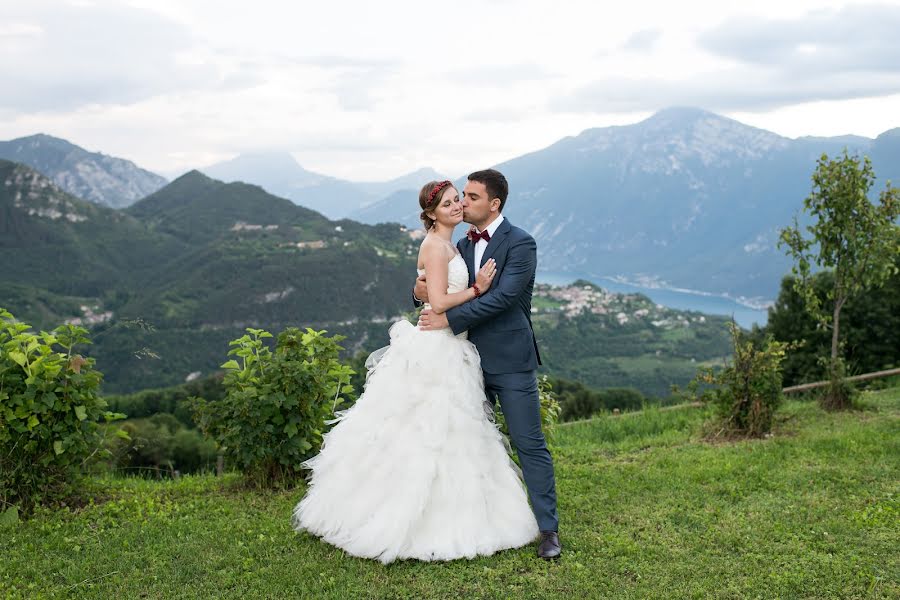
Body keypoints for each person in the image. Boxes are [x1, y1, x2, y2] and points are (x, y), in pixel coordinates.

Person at [291, 179, 539, 564]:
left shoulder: (466, 243)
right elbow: (439, 298)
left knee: (459, 430)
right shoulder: (440, 245)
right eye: (449, 203)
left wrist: (425, 292)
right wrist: (475, 289)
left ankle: (477, 514)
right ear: (432, 213)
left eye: (461, 199)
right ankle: (410, 518)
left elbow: (438, 291)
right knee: (428, 430)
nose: (457, 206)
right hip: (439, 348)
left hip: (462, 346)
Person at [416, 169, 560, 559]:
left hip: (510, 361)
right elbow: (440, 284)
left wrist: (447, 318)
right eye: (461, 195)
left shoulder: (521, 243)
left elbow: (506, 298)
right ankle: (471, 523)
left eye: (472, 197)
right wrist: (421, 294)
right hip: (464, 362)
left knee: (529, 444)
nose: (463, 202)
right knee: (467, 444)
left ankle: (548, 529)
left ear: (494, 204)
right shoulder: (459, 243)